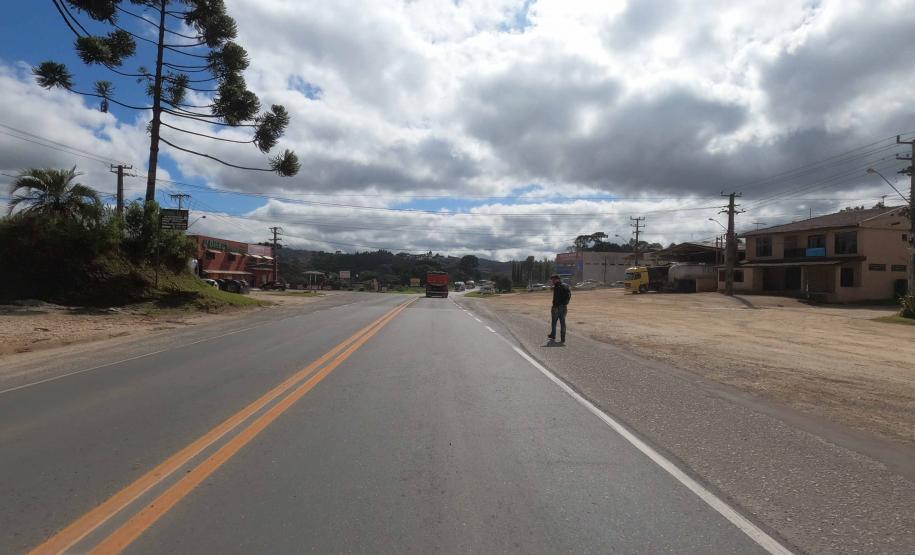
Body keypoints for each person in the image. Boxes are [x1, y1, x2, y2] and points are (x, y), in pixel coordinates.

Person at [548, 274, 571, 344]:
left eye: (553, 279)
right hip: (564, 307)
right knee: (563, 323)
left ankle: (553, 335)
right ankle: (562, 338)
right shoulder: (566, 285)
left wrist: (555, 305)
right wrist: (565, 303)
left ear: (557, 279)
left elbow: (556, 298)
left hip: (557, 307)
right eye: (552, 280)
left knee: (554, 322)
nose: (552, 281)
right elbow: (569, 295)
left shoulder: (557, 287)